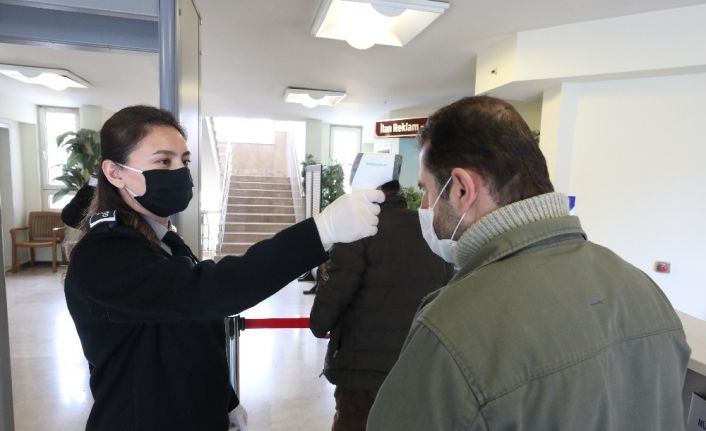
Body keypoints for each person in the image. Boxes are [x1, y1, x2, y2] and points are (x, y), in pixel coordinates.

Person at [366, 96, 691, 430]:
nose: (425, 206)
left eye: (428, 190)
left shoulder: (451, 331)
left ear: (462, 189)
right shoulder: (645, 291)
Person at [64, 105, 385, 431]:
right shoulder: (103, 254)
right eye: (163, 161)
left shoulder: (164, 242)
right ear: (115, 173)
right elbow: (207, 292)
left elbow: (195, 329)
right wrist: (321, 232)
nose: (180, 171)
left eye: (184, 160)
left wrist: (225, 400)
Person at [309, 174, 454, 431]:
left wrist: (319, 324)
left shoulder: (358, 230)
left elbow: (330, 302)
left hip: (361, 375)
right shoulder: (429, 230)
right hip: (416, 370)